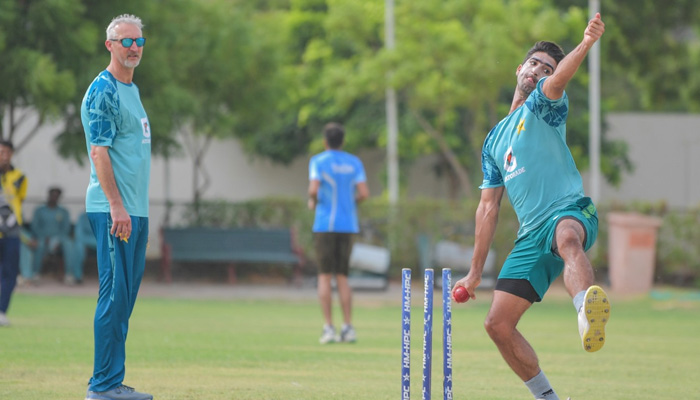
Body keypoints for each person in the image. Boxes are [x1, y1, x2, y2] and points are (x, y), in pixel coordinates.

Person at [452, 14, 610, 400]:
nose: (539, 71)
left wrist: (586, 44)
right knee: (497, 324)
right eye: (534, 63)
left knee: (567, 237)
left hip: (569, 210)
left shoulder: (543, 106)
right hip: (529, 237)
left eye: (547, 68)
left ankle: (585, 311)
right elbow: (488, 209)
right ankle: (547, 397)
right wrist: (474, 275)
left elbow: (559, 81)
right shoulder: (493, 141)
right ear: (519, 69)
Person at [80, 14, 152, 400]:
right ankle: (103, 386)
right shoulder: (103, 89)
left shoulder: (132, 90)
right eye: (126, 41)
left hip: (133, 211)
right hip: (114, 211)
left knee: (124, 299)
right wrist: (116, 205)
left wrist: (133, 209)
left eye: (138, 41)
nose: (134, 48)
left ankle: (113, 381)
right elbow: (99, 151)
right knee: (112, 296)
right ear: (109, 45)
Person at [308, 122, 369, 344]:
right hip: (348, 225)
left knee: (325, 276)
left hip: (325, 225)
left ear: (325, 142)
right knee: (342, 277)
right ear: (342, 141)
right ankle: (348, 327)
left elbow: (313, 189)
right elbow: (363, 193)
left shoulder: (318, 161)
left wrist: (313, 202)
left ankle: (328, 328)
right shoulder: (354, 162)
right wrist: (350, 203)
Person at [0, 140, 28, 327]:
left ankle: (2, 310)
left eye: (7, 152)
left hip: (11, 233)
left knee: (10, 273)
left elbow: (20, 201)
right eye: (1, 152)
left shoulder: (19, 177)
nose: (4, 156)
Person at [27, 187, 75, 284]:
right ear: (48, 195)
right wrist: (45, 237)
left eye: (56, 196)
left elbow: (66, 229)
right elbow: (35, 227)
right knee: (39, 244)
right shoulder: (39, 210)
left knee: (69, 244)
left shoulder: (63, 211)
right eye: (52, 195)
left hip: (59, 239)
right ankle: (35, 273)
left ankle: (69, 275)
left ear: (59, 197)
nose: (54, 198)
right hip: (42, 238)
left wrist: (56, 239)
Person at [72, 211, 97, 283]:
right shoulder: (83, 217)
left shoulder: (106, 215)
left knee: (109, 247)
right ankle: (77, 276)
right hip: (86, 241)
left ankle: (111, 277)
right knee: (78, 246)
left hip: (100, 241)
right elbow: (79, 234)